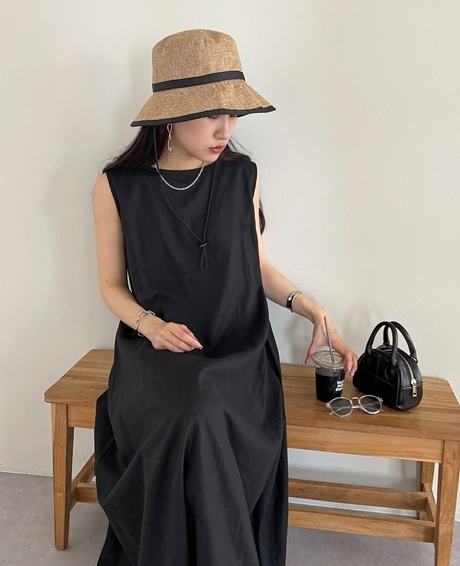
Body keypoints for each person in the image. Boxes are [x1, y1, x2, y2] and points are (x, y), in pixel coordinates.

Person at [93, 29, 357, 566]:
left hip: (238, 349)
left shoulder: (242, 177)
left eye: (233, 114)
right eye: (211, 114)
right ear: (171, 113)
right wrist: (151, 326)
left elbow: (256, 268)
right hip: (158, 350)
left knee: (205, 411)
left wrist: (313, 309)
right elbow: (111, 285)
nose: (226, 129)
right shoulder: (117, 186)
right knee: (192, 412)